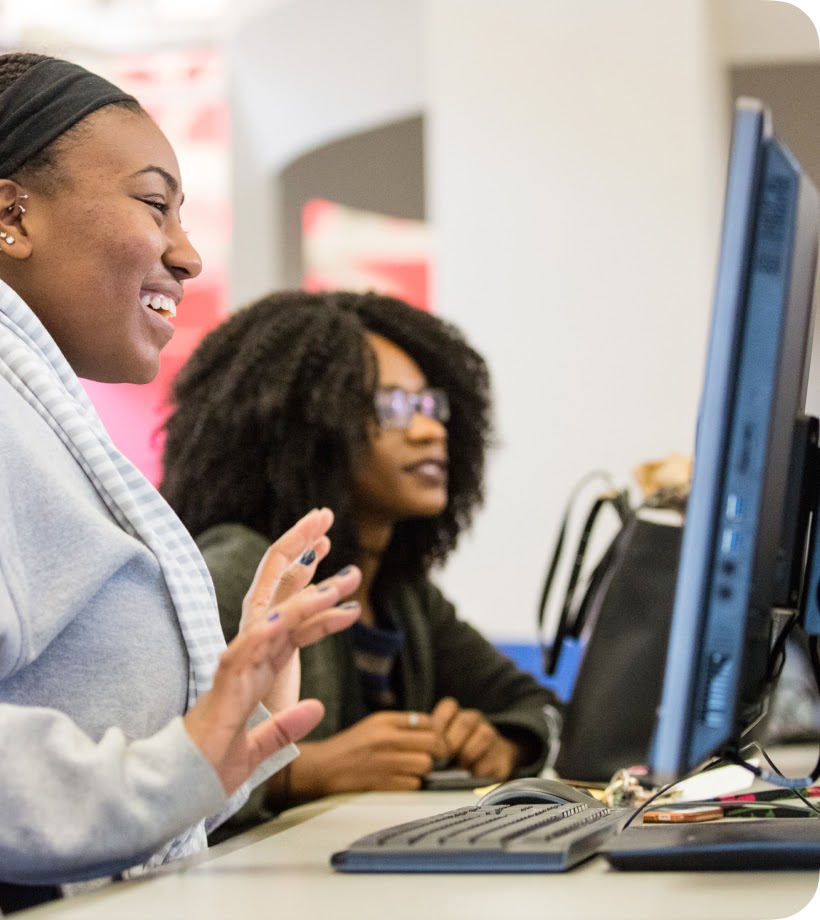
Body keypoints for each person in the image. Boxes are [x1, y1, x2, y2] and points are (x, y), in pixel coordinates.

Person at [0, 54, 363, 920]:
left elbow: (81, 809)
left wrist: (229, 729)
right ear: (11, 215)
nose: (186, 255)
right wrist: (162, 777)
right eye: (154, 203)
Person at [160, 290, 561, 837]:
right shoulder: (246, 574)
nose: (429, 430)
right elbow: (156, 771)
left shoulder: (404, 598)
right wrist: (300, 775)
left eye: (429, 405)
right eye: (392, 408)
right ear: (307, 429)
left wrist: (502, 743)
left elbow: (532, 705)